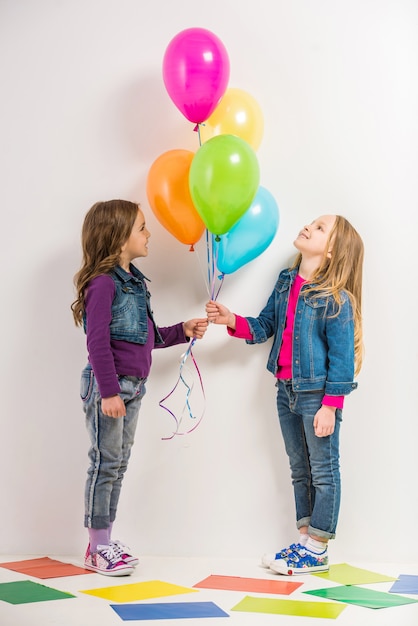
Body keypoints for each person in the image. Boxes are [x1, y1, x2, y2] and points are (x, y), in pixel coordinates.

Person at [206, 215, 363, 575]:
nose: (309, 226)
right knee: (299, 468)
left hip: (316, 394)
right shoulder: (285, 282)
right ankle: (305, 542)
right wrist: (231, 319)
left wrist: (331, 405)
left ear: (332, 249)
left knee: (323, 469)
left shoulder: (336, 298)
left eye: (320, 228)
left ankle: (318, 549)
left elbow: (342, 360)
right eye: (313, 222)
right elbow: (265, 326)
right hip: (285, 390)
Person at [71, 199, 208, 576]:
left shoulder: (135, 284)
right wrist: (110, 391)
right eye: (142, 228)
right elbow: (96, 342)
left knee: (119, 463)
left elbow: (144, 337)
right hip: (109, 389)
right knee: (105, 462)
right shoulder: (102, 285)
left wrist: (182, 330)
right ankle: (96, 547)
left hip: (133, 388)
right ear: (118, 237)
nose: (149, 235)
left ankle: (105, 540)